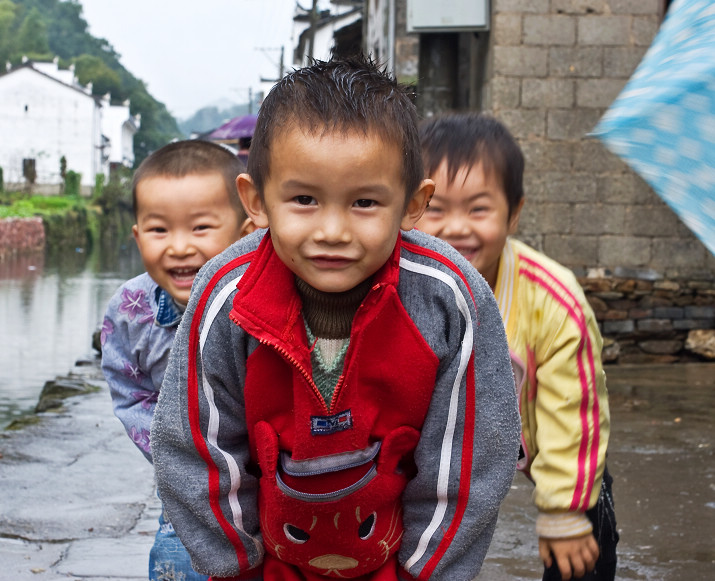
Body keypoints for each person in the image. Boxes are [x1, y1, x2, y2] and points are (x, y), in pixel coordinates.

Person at [150, 56, 521, 580]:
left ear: (413, 205)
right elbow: (196, 448)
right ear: (255, 202)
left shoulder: (449, 300)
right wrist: (235, 565)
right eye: (303, 199)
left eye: (365, 202)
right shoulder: (225, 296)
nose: (332, 230)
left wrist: (426, 574)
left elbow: (469, 464)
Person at [416, 113, 618, 581]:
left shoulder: (553, 299)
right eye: (437, 209)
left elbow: (575, 411)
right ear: (410, 206)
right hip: (439, 440)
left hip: (539, 432)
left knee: (584, 531)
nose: (455, 228)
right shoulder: (395, 283)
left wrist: (564, 510)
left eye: (479, 209)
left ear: (515, 212)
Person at [100, 139, 254, 581]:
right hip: (190, 491)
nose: (179, 247)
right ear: (137, 236)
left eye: (201, 228)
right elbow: (130, 393)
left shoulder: (263, 299)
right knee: (182, 562)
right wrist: (180, 455)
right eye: (159, 230)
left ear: (245, 232)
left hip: (271, 483)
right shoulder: (131, 308)